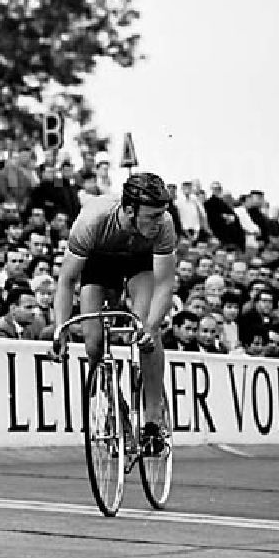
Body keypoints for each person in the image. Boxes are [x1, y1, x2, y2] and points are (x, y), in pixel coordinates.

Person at [51, 171, 176, 456]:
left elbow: (165, 283)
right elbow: (67, 281)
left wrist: (151, 326)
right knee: (93, 343)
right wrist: (61, 328)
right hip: (99, 262)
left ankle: (153, 421)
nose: (159, 222)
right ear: (129, 210)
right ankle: (115, 409)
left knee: (148, 329)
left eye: (162, 215)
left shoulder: (164, 224)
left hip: (139, 264)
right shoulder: (93, 219)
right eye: (152, 216)